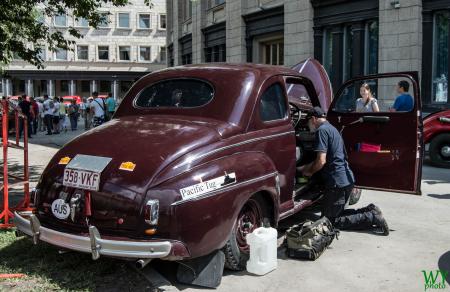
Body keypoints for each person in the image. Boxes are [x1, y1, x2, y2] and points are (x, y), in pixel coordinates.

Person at [297, 107, 389, 235]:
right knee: (335, 214)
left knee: (329, 222)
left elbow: (321, 161)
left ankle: (372, 217)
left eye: (308, 123)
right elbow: (336, 156)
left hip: (337, 183)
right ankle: (370, 210)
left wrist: (309, 171)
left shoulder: (321, 131)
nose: (308, 127)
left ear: (313, 119)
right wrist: (305, 167)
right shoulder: (333, 129)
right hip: (345, 180)